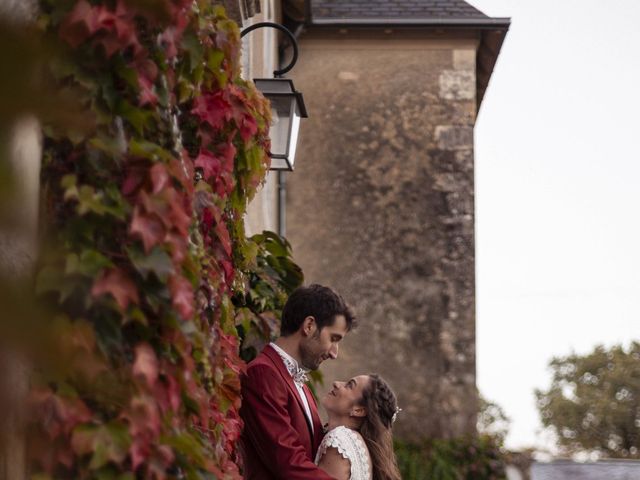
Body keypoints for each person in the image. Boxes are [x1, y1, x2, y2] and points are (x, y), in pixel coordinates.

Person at [240, 284, 356, 479]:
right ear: (309, 326)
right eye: (333, 338)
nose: (334, 353)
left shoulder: (299, 382)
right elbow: (287, 461)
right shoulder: (263, 373)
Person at [315, 374, 401, 480]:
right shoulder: (358, 446)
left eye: (349, 385)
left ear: (358, 410)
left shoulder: (339, 441)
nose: (336, 383)